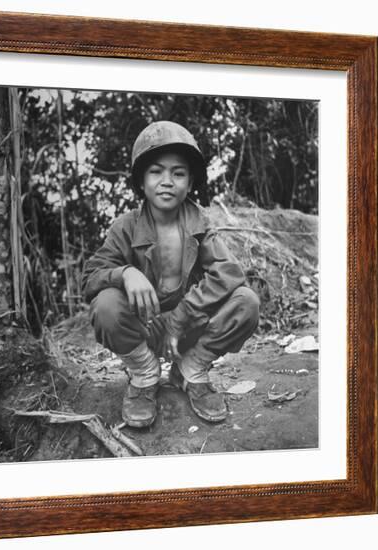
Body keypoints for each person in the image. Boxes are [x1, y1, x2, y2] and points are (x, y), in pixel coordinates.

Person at [81, 121, 259, 428]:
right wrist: (125, 274)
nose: (167, 181)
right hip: (144, 328)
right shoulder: (126, 226)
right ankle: (145, 373)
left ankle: (191, 370)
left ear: (190, 183)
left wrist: (184, 313)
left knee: (246, 302)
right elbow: (90, 277)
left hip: (187, 328)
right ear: (141, 181)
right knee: (106, 305)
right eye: (156, 171)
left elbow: (229, 273)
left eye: (178, 173)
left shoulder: (200, 223)